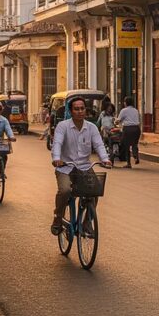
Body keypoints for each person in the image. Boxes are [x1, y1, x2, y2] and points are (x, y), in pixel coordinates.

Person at [50, 96, 111, 235]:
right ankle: (58, 218)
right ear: (71, 111)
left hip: (84, 167)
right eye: (76, 109)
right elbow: (57, 143)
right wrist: (57, 158)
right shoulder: (63, 126)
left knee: (95, 191)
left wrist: (105, 159)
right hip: (65, 167)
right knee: (65, 191)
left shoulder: (92, 128)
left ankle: (87, 222)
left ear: (86, 111)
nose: (79, 111)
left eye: (82, 108)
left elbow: (99, 144)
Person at [117, 96, 141, 168]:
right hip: (136, 129)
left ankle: (128, 163)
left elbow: (118, 120)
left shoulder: (124, 110)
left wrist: (115, 121)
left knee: (126, 146)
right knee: (134, 144)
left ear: (126, 103)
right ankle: (136, 156)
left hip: (128, 129)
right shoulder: (136, 110)